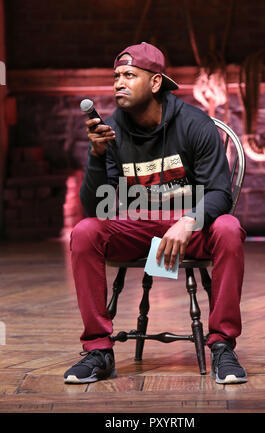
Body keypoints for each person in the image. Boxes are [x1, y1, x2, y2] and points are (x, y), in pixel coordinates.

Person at [64, 42, 247, 385]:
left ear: (155, 82)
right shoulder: (113, 131)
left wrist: (188, 221)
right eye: (116, 76)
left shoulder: (194, 125)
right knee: (86, 231)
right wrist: (96, 153)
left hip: (189, 230)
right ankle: (99, 350)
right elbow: (96, 207)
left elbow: (220, 192)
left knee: (229, 228)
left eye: (130, 75)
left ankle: (222, 345)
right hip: (140, 228)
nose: (119, 82)